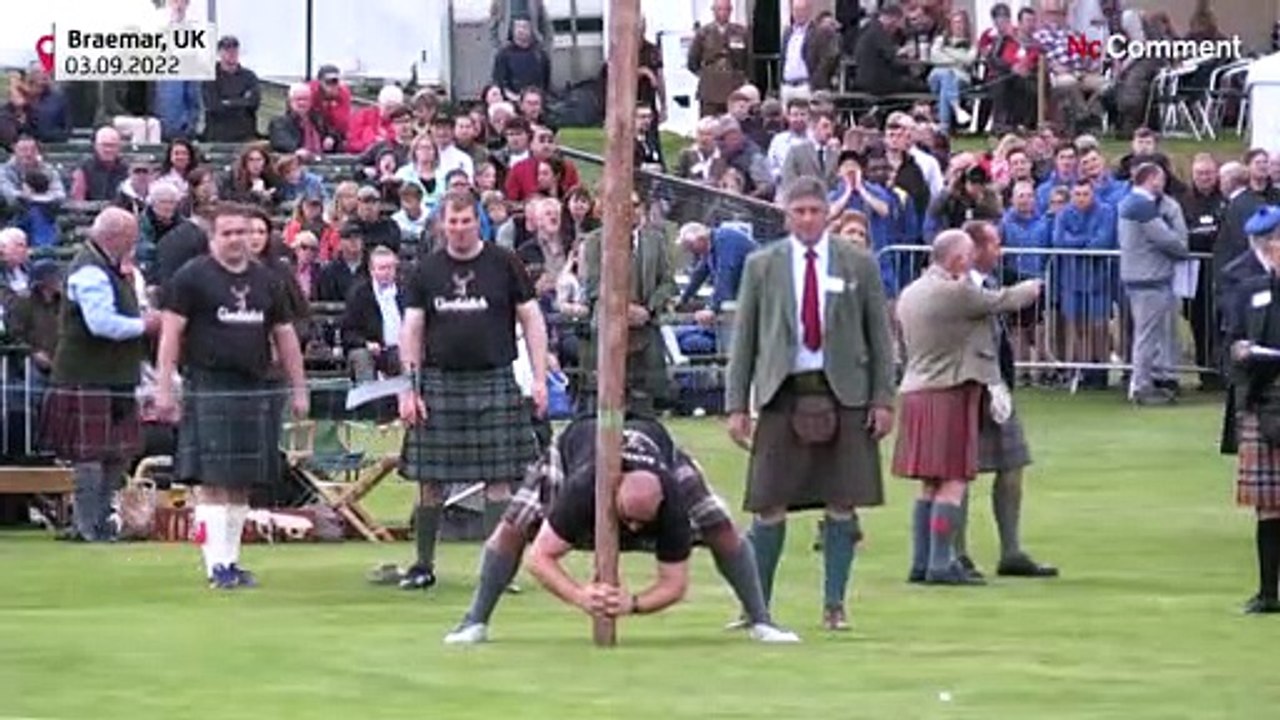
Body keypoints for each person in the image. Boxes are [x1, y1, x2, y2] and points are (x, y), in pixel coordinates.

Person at [443, 415, 799, 644]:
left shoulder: (672, 496)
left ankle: (761, 621)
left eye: (641, 524)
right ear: (613, 493)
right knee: (513, 527)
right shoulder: (584, 487)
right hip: (574, 446)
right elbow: (540, 558)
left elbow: (675, 583)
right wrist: (580, 596)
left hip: (660, 443)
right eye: (627, 518)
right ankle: (474, 622)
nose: (631, 529)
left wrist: (633, 604)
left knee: (721, 527)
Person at [724, 177, 896, 630]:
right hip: (782, 393)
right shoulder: (762, 265)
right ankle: (755, 608)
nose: (806, 219)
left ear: (828, 214)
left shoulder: (859, 263)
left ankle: (835, 607)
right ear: (785, 215)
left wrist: (883, 398)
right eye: (798, 211)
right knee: (767, 502)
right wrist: (737, 404)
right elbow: (744, 340)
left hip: (846, 394)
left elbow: (881, 337)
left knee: (842, 502)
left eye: (814, 211)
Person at [395, 190, 549, 590]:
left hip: (493, 376)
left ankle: (498, 570)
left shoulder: (504, 263)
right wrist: (409, 389)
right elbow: (411, 330)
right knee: (431, 481)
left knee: (499, 479)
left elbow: (532, 320)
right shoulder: (425, 270)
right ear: (441, 224)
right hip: (439, 380)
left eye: (467, 221)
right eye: (453, 221)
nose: (460, 229)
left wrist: (538, 378)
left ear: (478, 221)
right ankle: (423, 565)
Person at [154, 203, 309, 589]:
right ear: (213, 238)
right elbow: (171, 333)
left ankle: (232, 562)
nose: (237, 239)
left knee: (241, 480)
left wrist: (299, 386)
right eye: (228, 233)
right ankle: (216, 566)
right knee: (212, 480)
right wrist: (164, 387)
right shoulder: (192, 277)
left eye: (243, 232)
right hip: (209, 383)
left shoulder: (268, 280)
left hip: (254, 385)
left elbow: (285, 335)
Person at [892, 229, 1042, 585]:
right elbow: (1000, 300)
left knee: (930, 482)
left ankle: (923, 561)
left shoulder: (910, 292)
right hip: (948, 391)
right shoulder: (955, 291)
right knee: (953, 480)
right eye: (968, 254)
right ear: (958, 259)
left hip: (916, 390)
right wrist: (1033, 288)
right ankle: (942, 563)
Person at [41, 208, 161, 542]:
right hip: (86, 375)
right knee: (89, 458)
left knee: (118, 454)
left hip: (115, 377)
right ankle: (86, 526)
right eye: (132, 237)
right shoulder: (89, 271)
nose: (135, 243)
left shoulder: (110, 267)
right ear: (116, 236)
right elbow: (102, 324)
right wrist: (147, 325)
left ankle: (104, 519)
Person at [953, 221, 1058, 579]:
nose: (1000, 251)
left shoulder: (990, 283)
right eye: (995, 244)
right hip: (963, 386)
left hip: (996, 387)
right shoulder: (957, 287)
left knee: (1013, 464)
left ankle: (1010, 551)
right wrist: (1024, 292)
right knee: (958, 473)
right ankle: (956, 554)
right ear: (976, 250)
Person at [1224, 205, 1280, 614]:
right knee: (1269, 505)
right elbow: (1233, 339)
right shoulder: (1249, 287)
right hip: (1263, 402)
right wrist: (1240, 352)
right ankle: (1267, 593)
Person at [1119, 163, 1189, 406]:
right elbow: (1165, 238)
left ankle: (1142, 383)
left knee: (1146, 334)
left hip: (1139, 276)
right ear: (1151, 179)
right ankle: (1141, 386)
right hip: (1149, 277)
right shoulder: (1142, 206)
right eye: (1160, 179)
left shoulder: (1131, 202)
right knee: (1147, 336)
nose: (1163, 184)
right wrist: (1182, 250)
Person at [687, 0, 752, 116]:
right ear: (713, 11)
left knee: (734, 124)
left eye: (726, 9)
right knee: (709, 125)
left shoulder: (741, 32)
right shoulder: (703, 33)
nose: (723, 13)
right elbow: (692, 61)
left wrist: (745, 80)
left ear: (731, 11)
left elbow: (747, 60)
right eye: (719, 9)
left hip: (733, 86)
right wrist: (705, 74)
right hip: (710, 88)